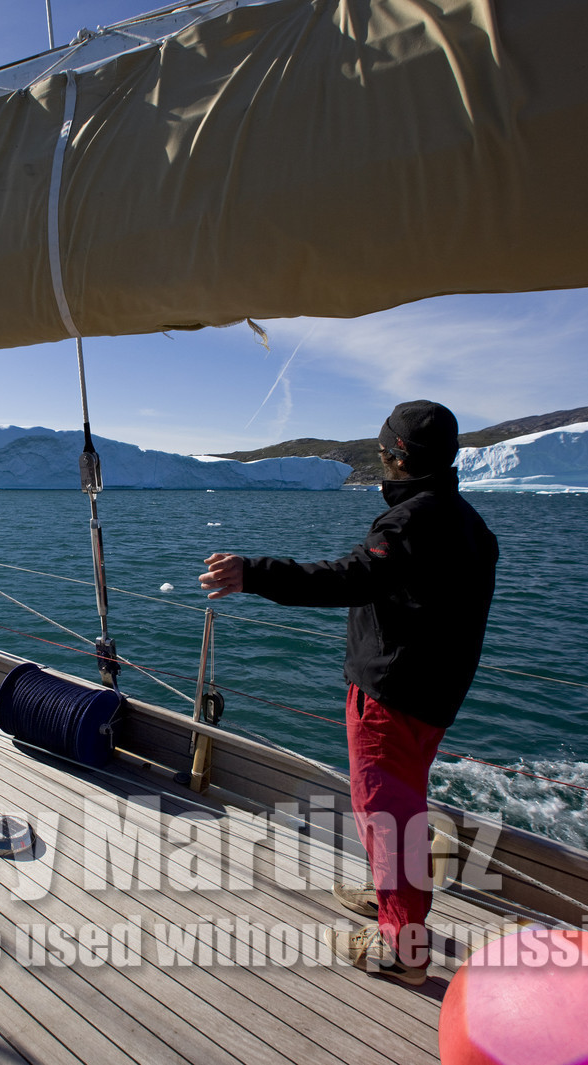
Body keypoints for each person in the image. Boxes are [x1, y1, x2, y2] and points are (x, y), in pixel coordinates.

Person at [199, 400, 497, 985]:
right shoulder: (472, 526)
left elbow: (350, 578)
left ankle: (402, 947)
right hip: (435, 696)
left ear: (397, 458)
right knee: (400, 804)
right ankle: (393, 904)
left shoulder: (406, 522)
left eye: (385, 454)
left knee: (386, 816)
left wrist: (253, 573)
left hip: (391, 693)